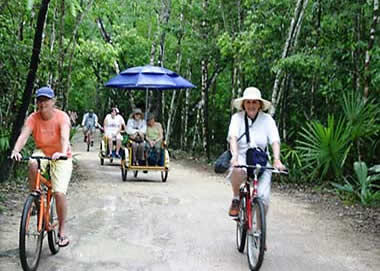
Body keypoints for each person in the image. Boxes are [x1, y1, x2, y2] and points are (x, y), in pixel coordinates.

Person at [10, 86, 73, 247]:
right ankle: (36, 198)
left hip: (61, 154)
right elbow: (24, 135)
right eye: (39, 100)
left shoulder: (62, 117)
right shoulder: (33, 117)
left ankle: (62, 232)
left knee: (59, 192)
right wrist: (16, 150)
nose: (42, 103)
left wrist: (62, 152)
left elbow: (65, 137)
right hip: (42, 151)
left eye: (45, 100)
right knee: (32, 162)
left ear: (53, 101)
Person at [227, 87, 286, 221]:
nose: (251, 105)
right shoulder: (237, 118)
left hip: (261, 159)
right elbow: (233, 138)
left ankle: (260, 234)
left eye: (254, 102)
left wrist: (277, 160)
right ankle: (236, 198)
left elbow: (275, 140)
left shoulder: (267, 120)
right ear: (243, 104)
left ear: (259, 105)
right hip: (242, 156)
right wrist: (235, 156)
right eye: (248, 102)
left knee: (263, 198)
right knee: (237, 170)